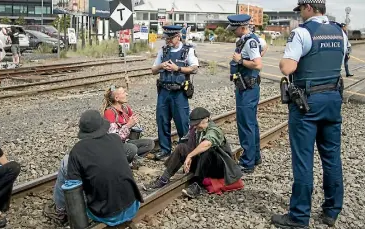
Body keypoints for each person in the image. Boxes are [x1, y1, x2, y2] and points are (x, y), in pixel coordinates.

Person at [271, 1, 347, 228]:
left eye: (301, 10)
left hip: (308, 103)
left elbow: (288, 68)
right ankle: (332, 211)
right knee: (332, 157)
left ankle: (299, 216)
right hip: (333, 99)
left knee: (303, 160)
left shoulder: (302, 33)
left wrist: (283, 59)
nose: (300, 14)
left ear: (308, 8)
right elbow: (342, 60)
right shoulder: (339, 32)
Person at [43, 110, 143, 226]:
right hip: (132, 205)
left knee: (66, 162)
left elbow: (73, 188)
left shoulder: (77, 150)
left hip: (106, 214)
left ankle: (60, 211)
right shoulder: (115, 139)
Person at [143, 107, 243, 198]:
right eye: (194, 124)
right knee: (181, 147)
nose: (195, 127)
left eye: (197, 124)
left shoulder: (214, 130)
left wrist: (190, 156)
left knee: (208, 150)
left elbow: (207, 144)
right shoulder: (196, 129)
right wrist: (187, 156)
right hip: (203, 163)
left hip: (220, 167)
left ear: (206, 119)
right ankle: (164, 178)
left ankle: (197, 185)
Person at [151, 25, 199, 160]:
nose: (168, 41)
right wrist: (161, 66)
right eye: (167, 38)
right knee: (162, 120)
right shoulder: (163, 51)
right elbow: (153, 69)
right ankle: (165, 149)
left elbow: (194, 68)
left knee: (182, 122)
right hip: (164, 91)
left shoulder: (188, 50)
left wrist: (177, 68)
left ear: (178, 37)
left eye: (171, 39)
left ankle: (184, 151)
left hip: (179, 93)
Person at [227, 14, 263, 174]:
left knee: (246, 124)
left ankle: (248, 162)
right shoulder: (249, 40)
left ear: (242, 27)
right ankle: (255, 157)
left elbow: (258, 64)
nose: (233, 31)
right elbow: (265, 47)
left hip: (247, 88)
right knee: (251, 123)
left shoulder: (250, 42)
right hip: (245, 87)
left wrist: (241, 60)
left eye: (235, 29)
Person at [102, 85, 155, 162]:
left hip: (125, 142)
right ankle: (121, 163)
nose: (127, 94)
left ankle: (133, 159)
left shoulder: (126, 109)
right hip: (114, 146)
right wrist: (128, 125)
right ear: (116, 98)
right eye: (123, 93)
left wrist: (135, 125)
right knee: (132, 148)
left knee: (150, 143)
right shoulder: (109, 113)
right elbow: (113, 139)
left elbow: (134, 125)